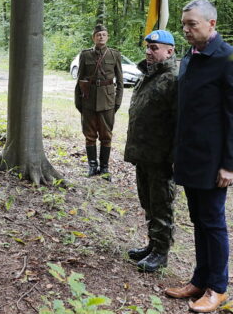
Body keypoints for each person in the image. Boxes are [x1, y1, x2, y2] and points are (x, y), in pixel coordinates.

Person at [165, 0, 233, 313]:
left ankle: (219, 288)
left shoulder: (230, 59)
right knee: (198, 221)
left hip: (214, 162)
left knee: (213, 223)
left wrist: (230, 164)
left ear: (212, 24)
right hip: (189, 156)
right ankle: (199, 280)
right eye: (184, 24)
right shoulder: (191, 57)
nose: (186, 30)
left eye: (193, 25)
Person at [124, 30, 178, 272]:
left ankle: (161, 252)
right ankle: (152, 245)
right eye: (147, 47)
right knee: (148, 202)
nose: (148, 51)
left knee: (161, 204)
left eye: (154, 47)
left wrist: (174, 157)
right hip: (144, 153)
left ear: (170, 51)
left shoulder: (173, 79)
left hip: (161, 157)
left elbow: (179, 121)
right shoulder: (148, 75)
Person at [74, 24, 124, 180]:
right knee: (89, 136)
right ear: (93, 38)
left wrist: (117, 102)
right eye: (98, 35)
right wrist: (79, 102)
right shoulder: (85, 55)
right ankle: (92, 166)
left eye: (104, 34)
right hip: (88, 100)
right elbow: (80, 79)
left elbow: (120, 81)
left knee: (106, 136)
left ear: (107, 37)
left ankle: (104, 168)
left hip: (108, 101)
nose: (101, 37)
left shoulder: (114, 55)